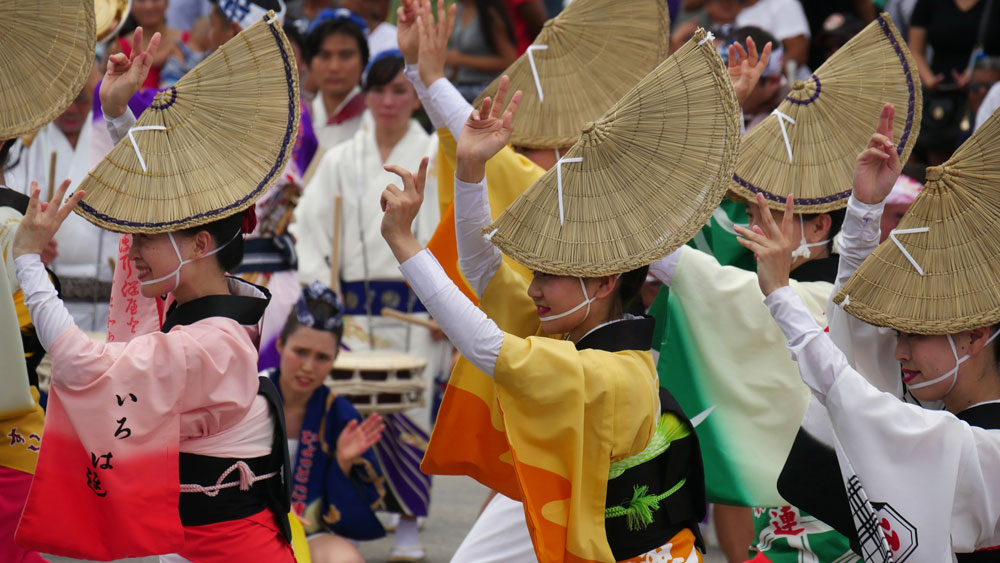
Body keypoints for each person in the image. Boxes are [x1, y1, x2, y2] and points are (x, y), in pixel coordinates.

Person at [379, 45, 730, 557]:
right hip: (571, 503)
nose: (533, 287)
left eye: (550, 274)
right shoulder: (575, 335)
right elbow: (485, 273)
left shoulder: (613, 373)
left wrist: (406, 244)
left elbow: (485, 345)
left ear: (606, 280)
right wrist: (471, 169)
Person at [12, 15, 300, 562]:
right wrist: (119, 113)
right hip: (193, 544)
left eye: (144, 240)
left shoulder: (208, 342)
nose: (132, 251)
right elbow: (165, 214)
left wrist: (27, 260)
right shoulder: (204, 308)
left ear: (197, 246)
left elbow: (77, 363)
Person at [736, 104, 1000, 561]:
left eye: (915, 335)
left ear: (975, 336)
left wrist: (781, 294)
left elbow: (848, 391)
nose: (898, 352)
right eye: (899, 335)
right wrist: (864, 210)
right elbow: (856, 326)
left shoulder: (977, 446)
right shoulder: (941, 413)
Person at [292, 49, 441, 563]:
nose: (388, 101)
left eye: (400, 90)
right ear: (368, 95)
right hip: (349, 311)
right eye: (378, 90)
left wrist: (449, 305)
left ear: (416, 98)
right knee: (349, 416)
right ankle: (348, 518)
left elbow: (451, 238)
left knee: (411, 413)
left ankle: (407, 525)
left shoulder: (434, 156)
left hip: (415, 307)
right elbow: (307, 229)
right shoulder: (340, 158)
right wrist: (322, 297)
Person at [268, 281, 387, 563]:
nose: (308, 367)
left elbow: (351, 512)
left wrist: (343, 463)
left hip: (310, 531)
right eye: (301, 352)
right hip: (254, 525)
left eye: (322, 357)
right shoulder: (251, 396)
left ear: (335, 359)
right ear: (281, 344)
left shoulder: (340, 415)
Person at [4, 64, 118, 331]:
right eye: (62, 100)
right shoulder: (25, 147)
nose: (70, 110)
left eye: (80, 100)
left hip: (109, 296)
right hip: (45, 293)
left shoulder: (112, 137)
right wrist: (25, 237)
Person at [908, 0, 1000, 164]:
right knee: (938, 163)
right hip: (940, 98)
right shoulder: (928, 4)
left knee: (979, 159)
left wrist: (975, 75)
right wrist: (928, 79)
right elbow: (915, 49)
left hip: (983, 94)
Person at [303, 8, 370, 149]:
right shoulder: (297, 120)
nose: (334, 67)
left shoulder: (379, 117)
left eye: (346, 55)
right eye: (325, 56)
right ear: (309, 62)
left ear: (363, 61)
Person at [447, 0, 517, 101]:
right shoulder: (459, 9)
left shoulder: (489, 13)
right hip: (461, 84)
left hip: (486, 88)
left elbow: (509, 60)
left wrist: (461, 60)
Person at [111, 0, 186, 89]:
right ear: (130, 7)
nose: (148, 6)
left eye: (155, 0)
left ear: (167, 3)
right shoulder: (118, 48)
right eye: (141, 1)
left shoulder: (189, 41)